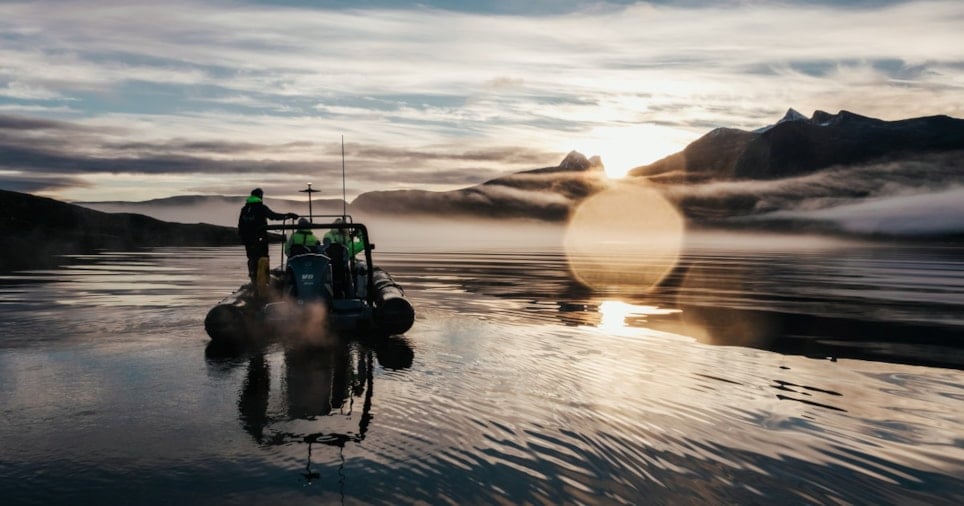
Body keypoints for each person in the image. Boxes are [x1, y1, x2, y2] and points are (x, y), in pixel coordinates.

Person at [238, 188, 298, 282]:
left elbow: (240, 225)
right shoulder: (261, 208)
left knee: (251, 258)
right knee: (263, 257)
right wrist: (288, 215)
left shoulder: (245, 209)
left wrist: (243, 238)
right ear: (261, 196)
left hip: (247, 240)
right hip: (260, 238)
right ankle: (265, 281)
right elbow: (273, 216)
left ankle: (253, 279)